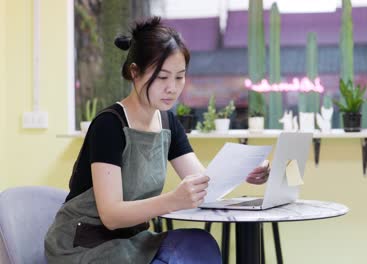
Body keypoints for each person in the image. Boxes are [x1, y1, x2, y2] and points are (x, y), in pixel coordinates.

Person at [44, 16, 270, 264]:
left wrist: (243, 171)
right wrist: (173, 200)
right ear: (134, 73)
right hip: (84, 244)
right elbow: (111, 215)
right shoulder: (109, 125)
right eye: (162, 78)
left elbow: (204, 185)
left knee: (199, 244)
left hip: (130, 240)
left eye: (179, 76)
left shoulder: (168, 123)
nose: (172, 88)